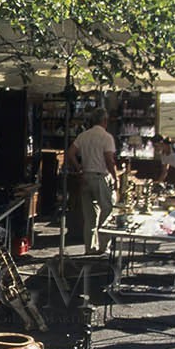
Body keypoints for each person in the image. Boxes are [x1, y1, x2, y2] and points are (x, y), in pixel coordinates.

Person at [67, 108, 118, 254]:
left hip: (86, 177)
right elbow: (109, 159)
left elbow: (70, 153)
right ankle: (103, 247)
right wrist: (115, 177)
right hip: (100, 176)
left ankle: (89, 248)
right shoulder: (106, 137)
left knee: (89, 217)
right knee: (106, 212)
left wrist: (79, 169)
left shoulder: (83, 136)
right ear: (105, 121)